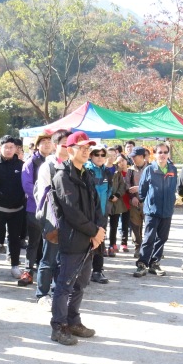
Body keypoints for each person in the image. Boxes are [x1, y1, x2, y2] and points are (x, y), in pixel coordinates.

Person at [49, 131, 105, 346]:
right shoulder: (62, 175)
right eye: (81, 147)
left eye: (88, 147)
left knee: (80, 284)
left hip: (90, 239)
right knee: (65, 284)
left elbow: (97, 207)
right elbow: (71, 211)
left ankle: (73, 321)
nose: (86, 150)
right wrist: (94, 231)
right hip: (73, 238)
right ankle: (59, 326)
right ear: (69, 149)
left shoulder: (87, 174)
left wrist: (99, 230)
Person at [33, 129, 70, 307]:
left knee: (64, 259)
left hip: (71, 221)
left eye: (71, 144)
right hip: (52, 219)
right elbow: (46, 196)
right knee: (48, 257)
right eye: (64, 144)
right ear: (55, 146)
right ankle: (42, 293)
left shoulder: (73, 165)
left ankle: (58, 290)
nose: (68, 147)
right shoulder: (47, 166)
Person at [0, 135, 26, 280]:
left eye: (11, 147)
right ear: (0, 148)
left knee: (15, 238)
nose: (9, 150)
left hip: (17, 210)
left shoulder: (21, 165)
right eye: (6, 147)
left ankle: (15, 265)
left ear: (16, 149)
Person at [134, 143, 178, 278]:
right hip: (152, 210)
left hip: (167, 210)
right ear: (155, 154)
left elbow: (174, 187)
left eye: (165, 152)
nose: (163, 155)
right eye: (160, 152)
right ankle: (142, 264)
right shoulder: (149, 169)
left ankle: (155, 263)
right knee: (149, 238)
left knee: (162, 238)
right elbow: (142, 189)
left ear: (168, 154)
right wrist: (146, 201)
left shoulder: (173, 169)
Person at [21, 133, 53, 286]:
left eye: (49, 142)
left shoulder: (56, 161)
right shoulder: (30, 163)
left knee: (51, 241)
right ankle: (28, 270)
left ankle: (47, 271)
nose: (47, 144)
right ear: (37, 145)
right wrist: (44, 199)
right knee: (34, 241)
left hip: (54, 211)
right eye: (43, 142)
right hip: (35, 208)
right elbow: (27, 186)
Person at [85, 144, 112, 284]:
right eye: (97, 154)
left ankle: (97, 271)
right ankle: (83, 272)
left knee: (100, 241)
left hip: (102, 213)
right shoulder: (86, 171)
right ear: (91, 155)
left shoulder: (107, 172)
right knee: (85, 242)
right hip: (87, 213)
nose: (100, 157)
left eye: (103, 155)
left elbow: (110, 191)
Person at [125, 146, 148, 256]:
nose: (132, 159)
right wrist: (132, 197)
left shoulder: (151, 168)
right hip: (135, 202)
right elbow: (127, 185)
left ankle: (149, 247)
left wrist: (140, 188)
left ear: (141, 156)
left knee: (149, 225)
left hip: (148, 202)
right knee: (135, 225)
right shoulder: (130, 170)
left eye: (134, 156)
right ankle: (138, 247)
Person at [109, 155, 130, 254]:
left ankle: (124, 243)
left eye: (123, 160)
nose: (121, 163)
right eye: (119, 161)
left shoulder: (130, 172)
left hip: (126, 200)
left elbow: (124, 185)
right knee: (114, 224)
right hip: (115, 201)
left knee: (125, 223)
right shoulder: (115, 172)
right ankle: (112, 244)